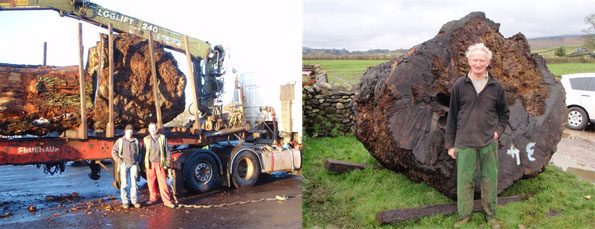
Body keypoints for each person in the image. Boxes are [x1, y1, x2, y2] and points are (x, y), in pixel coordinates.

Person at [445, 43, 509, 229]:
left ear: (488, 62)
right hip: (464, 142)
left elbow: (504, 114)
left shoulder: (496, 87)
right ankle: (464, 217)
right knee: (465, 181)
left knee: (490, 179)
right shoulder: (460, 85)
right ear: (469, 61)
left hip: (488, 142)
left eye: (482, 60)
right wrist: (450, 144)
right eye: (475, 60)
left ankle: (491, 216)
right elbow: (452, 116)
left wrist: (497, 132)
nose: (478, 63)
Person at [143, 122, 176, 208]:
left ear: (157, 129)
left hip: (160, 163)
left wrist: (168, 162)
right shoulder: (146, 139)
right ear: (149, 130)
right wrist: (142, 164)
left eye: (155, 128)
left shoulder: (162, 138)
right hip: (150, 164)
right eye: (151, 129)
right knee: (151, 182)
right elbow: (143, 152)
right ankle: (153, 198)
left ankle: (167, 201)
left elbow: (167, 150)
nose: (153, 130)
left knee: (163, 182)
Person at [111, 124, 141, 209]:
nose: (130, 133)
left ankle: (134, 201)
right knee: (124, 184)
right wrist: (120, 162)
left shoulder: (135, 141)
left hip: (134, 164)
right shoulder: (120, 141)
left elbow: (140, 152)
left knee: (134, 183)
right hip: (124, 165)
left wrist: (138, 160)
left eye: (131, 131)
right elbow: (114, 152)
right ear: (125, 132)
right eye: (128, 131)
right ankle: (125, 202)